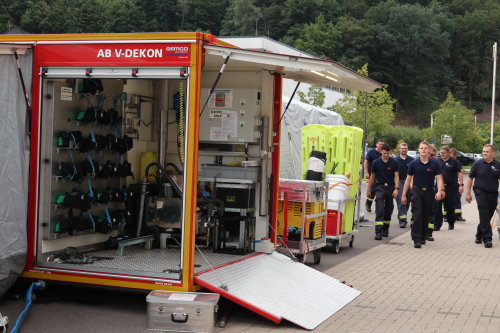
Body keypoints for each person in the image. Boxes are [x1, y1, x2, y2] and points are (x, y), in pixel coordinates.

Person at [402, 141, 444, 248]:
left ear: (428, 150)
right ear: (418, 150)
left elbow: (439, 178)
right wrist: (403, 195)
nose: (424, 150)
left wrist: (439, 191)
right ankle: (416, 238)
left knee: (426, 215)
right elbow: (407, 180)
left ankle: (423, 235)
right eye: (422, 148)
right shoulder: (413, 164)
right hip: (417, 192)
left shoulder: (435, 164)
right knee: (418, 214)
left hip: (429, 192)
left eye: (425, 148)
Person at [465, 144, 500, 248]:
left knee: (487, 216)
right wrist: (467, 193)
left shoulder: (498, 165)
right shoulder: (477, 164)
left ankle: (479, 234)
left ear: (492, 153)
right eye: (483, 151)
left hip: (493, 194)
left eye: (487, 151)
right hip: (480, 193)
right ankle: (487, 238)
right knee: (484, 214)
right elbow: (470, 179)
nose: (484, 153)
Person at [367, 143, 399, 240]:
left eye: (388, 153)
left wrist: (396, 189)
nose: (386, 155)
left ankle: (385, 229)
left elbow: (396, 176)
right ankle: (378, 232)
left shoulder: (394, 162)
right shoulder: (376, 162)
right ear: (381, 152)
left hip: (390, 188)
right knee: (380, 209)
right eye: (384, 153)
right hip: (379, 187)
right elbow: (372, 177)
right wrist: (369, 189)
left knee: (389, 210)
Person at [434, 146, 463, 231]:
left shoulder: (454, 162)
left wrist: (461, 185)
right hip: (439, 187)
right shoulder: (436, 161)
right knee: (437, 206)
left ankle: (451, 223)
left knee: (449, 207)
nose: (441, 154)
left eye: (443, 153)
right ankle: (437, 225)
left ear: (448, 153)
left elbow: (460, 173)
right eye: (440, 153)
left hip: (451, 188)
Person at [395, 142, 414, 228]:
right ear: (399, 149)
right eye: (402, 148)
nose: (404, 150)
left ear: (407, 149)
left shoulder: (411, 160)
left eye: (405, 148)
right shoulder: (395, 160)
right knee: (401, 200)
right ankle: (403, 220)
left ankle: (401, 214)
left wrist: (411, 183)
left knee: (408, 200)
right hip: (399, 181)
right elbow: (395, 174)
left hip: (409, 181)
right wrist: (396, 186)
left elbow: (413, 174)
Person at [364, 139, 384, 213]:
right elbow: (366, 163)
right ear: (376, 144)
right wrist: (366, 173)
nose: (381, 146)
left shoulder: (383, 153)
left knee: (380, 191)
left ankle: (378, 207)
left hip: (381, 175)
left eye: (382, 144)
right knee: (372, 190)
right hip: (372, 174)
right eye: (380, 144)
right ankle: (368, 203)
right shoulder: (371, 152)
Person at [450, 148, 466, 222]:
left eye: (452, 156)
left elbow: (460, 173)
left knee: (457, 199)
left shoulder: (457, 162)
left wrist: (461, 185)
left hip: (457, 183)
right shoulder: (447, 162)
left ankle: (457, 215)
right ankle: (449, 215)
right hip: (450, 184)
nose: (451, 158)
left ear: (455, 156)